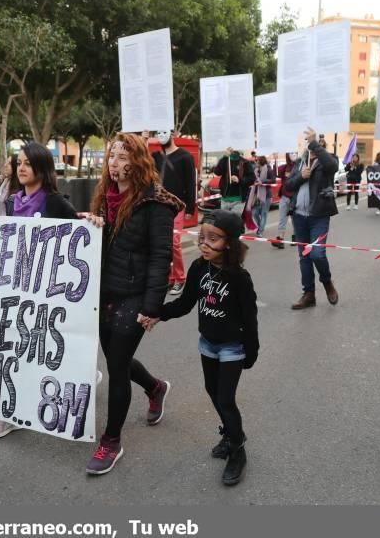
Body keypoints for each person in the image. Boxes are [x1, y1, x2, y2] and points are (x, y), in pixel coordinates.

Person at [82, 133, 184, 475]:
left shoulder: (155, 202)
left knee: (117, 366)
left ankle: (111, 441)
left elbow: (161, 257)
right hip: (104, 291)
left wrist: (152, 306)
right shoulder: (102, 198)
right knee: (115, 359)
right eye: (111, 155)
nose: (114, 162)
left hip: (135, 295)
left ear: (138, 161)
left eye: (122, 156)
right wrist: (92, 226)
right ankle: (156, 388)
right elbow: (91, 245)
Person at [145, 210, 258, 486]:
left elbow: (250, 318)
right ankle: (230, 434)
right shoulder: (199, 268)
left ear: (229, 242)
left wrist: (251, 351)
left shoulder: (240, 278)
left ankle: (237, 450)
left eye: (213, 239)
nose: (204, 244)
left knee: (225, 399)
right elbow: (185, 303)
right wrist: (158, 313)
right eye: (202, 237)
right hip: (207, 342)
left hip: (233, 347)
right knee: (212, 390)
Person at [0, 142, 79, 439]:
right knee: (12, 350)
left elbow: (76, 244)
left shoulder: (56, 203)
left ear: (42, 168)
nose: (21, 168)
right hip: (16, 290)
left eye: (27, 163)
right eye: (18, 162)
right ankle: (10, 412)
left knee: (45, 350)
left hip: (48, 293)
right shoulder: (11, 203)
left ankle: (75, 375)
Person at [283, 128, 340, 310]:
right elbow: (288, 185)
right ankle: (309, 294)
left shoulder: (328, 161)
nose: (314, 147)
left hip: (319, 216)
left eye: (317, 144)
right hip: (299, 216)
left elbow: (333, 167)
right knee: (304, 257)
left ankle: (327, 282)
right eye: (312, 144)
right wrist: (301, 176)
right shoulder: (300, 162)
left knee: (316, 253)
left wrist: (315, 143)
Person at [153, 130, 197, 296]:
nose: (160, 135)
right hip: (158, 205)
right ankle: (169, 278)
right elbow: (140, 163)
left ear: (172, 133)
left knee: (174, 243)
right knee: (162, 244)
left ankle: (180, 278)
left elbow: (190, 183)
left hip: (177, 206)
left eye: (163, 131)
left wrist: (190, 208)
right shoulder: (155, 157)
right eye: (157, 132)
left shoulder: (185, 156)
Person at [213, 149, 255, 216]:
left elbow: (252, 179)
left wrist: (239, 180)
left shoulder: (245, 162)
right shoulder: (225, 160)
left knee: (233, 223)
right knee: (223, 223)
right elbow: (217, 172)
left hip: (238, 200)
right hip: (225, 199)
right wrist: (224, 157)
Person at [273, 153, 297, 249]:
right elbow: (275, 173)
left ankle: (296, 238)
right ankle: (280, 239)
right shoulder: (284, 167)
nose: (293, 155)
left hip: (295, 198)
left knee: (295, 219)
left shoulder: (299, 166)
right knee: (282, 219)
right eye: (291, 153)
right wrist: (275, 160)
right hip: (284, 197)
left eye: (295, 153)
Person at [250, 155, 275, 237]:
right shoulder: (256, 170)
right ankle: (261, 226)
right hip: (257, 195)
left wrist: (262, 181)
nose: (256, 162)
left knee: (264, 213)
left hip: (267, 195)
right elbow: (253, 180)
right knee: (254, 213)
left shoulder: (268, 169)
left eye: (257, 161)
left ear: (261, 162)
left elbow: (273, 180)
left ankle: (260, 231)